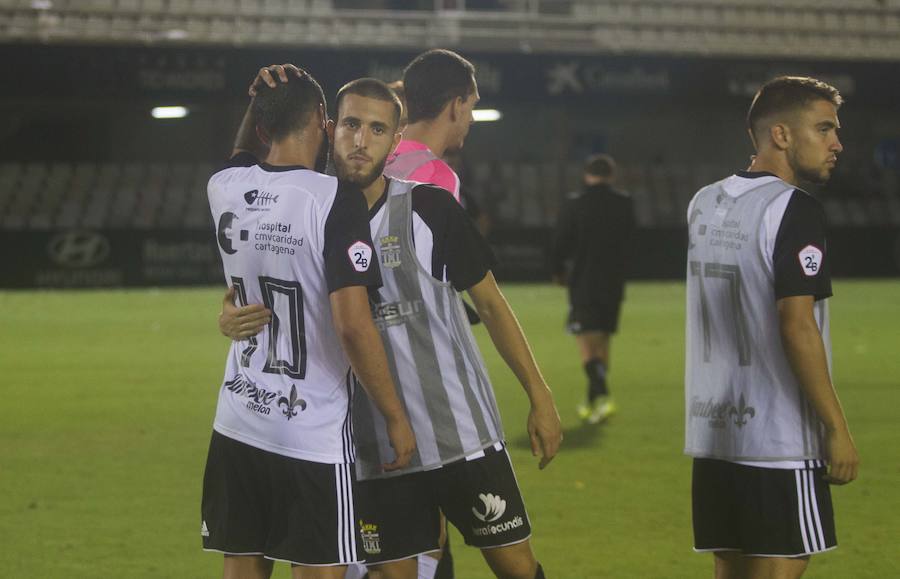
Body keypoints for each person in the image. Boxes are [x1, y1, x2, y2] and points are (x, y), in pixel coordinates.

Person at [221, 70, 562, 579]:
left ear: (396, 139)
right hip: (374, 447)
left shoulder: (430, 209)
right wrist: (229, 315)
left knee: (515, 566)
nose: (361, 142)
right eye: (352, 125)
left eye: (378, 130)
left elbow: (491, 306)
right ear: (329, 128)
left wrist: (540, 395)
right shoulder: (308, 212)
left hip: (459, 434)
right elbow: (263, 293)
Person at [202, 67, 415, 579]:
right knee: (320, 568)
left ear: (259, 128)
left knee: (240, 567)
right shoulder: (334, 200)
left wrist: (259, 101)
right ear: (324, 121)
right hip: (312, 432)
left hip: (237, 419)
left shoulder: (224, 187)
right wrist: (394, 415)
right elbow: (353, 327)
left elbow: (241, 154)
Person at [684, 76, 859, 579]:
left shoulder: (703, 203)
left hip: (714, 432)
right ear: (780, 135)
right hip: (777, 440)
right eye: (824, 129)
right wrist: (835, 427)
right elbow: (796, 326)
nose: (837, 143)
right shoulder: (793, 209)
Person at [550, 154, 635, 424]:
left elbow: (559, 243)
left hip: (584, 282)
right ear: (611, 174)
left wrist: (558, 272)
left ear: (587, 175)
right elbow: (633, 241)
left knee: (587, 345)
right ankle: (592, 403)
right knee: (604, 342)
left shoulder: (575, 204)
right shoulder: (624, 204)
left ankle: (604, 397)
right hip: (613, 282)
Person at [383, 49, 480, 201]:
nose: (472, 119)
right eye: (471, 107)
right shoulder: (439, 177)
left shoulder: (375, 160)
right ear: (457, 106)